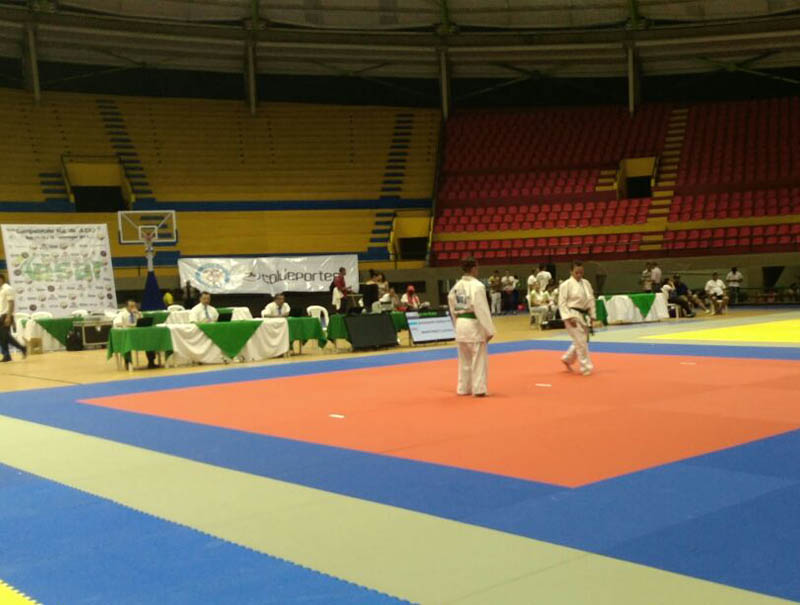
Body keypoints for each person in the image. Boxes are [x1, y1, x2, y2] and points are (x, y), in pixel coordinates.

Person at [448, 257, 495, 397]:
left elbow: (452, 306)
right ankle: (479, 388)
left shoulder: (456, 286)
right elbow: (481, 309)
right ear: (474, 268)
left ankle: (463, 388)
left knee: (464, 360)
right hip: (473, 324)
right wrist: (489, 329)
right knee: (478, 358)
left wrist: (456, 323)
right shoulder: (478, 286)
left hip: (461, 324)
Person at [558, 261, 597, 376]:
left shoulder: (586, 283)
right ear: (571, 272)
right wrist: (569, 317)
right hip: (572, 314)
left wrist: (592, 315)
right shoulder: (566, 285)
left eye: (581, 272)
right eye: (577, 272)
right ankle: (586, 367)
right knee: (581, 341)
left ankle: (567, 359)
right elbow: (562, 303)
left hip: (583, 315)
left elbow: (591, 300)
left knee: (582, 340)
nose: (579, 275)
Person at [113, 299, 157, 369]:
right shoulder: (121, 314)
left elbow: (142, 322)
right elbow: (117, 323)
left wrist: (139, 314)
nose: (133, 308)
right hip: (127, 337)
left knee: (149, 340)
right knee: (126, 344)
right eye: (131, 306)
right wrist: (128, 325)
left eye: (134, 306)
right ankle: (128, 363)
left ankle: (151, 362)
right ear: (126, 307)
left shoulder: (137, 313)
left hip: (138, 336)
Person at [0, 273, 26, 362]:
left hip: (6, 315)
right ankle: (7, 355)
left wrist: (8, 317)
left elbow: (11, 303)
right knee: (3, 336)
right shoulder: (1, 290)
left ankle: (22, 348)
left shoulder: (8, 289)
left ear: (2, 279)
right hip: (1, 315)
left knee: (4, 336)